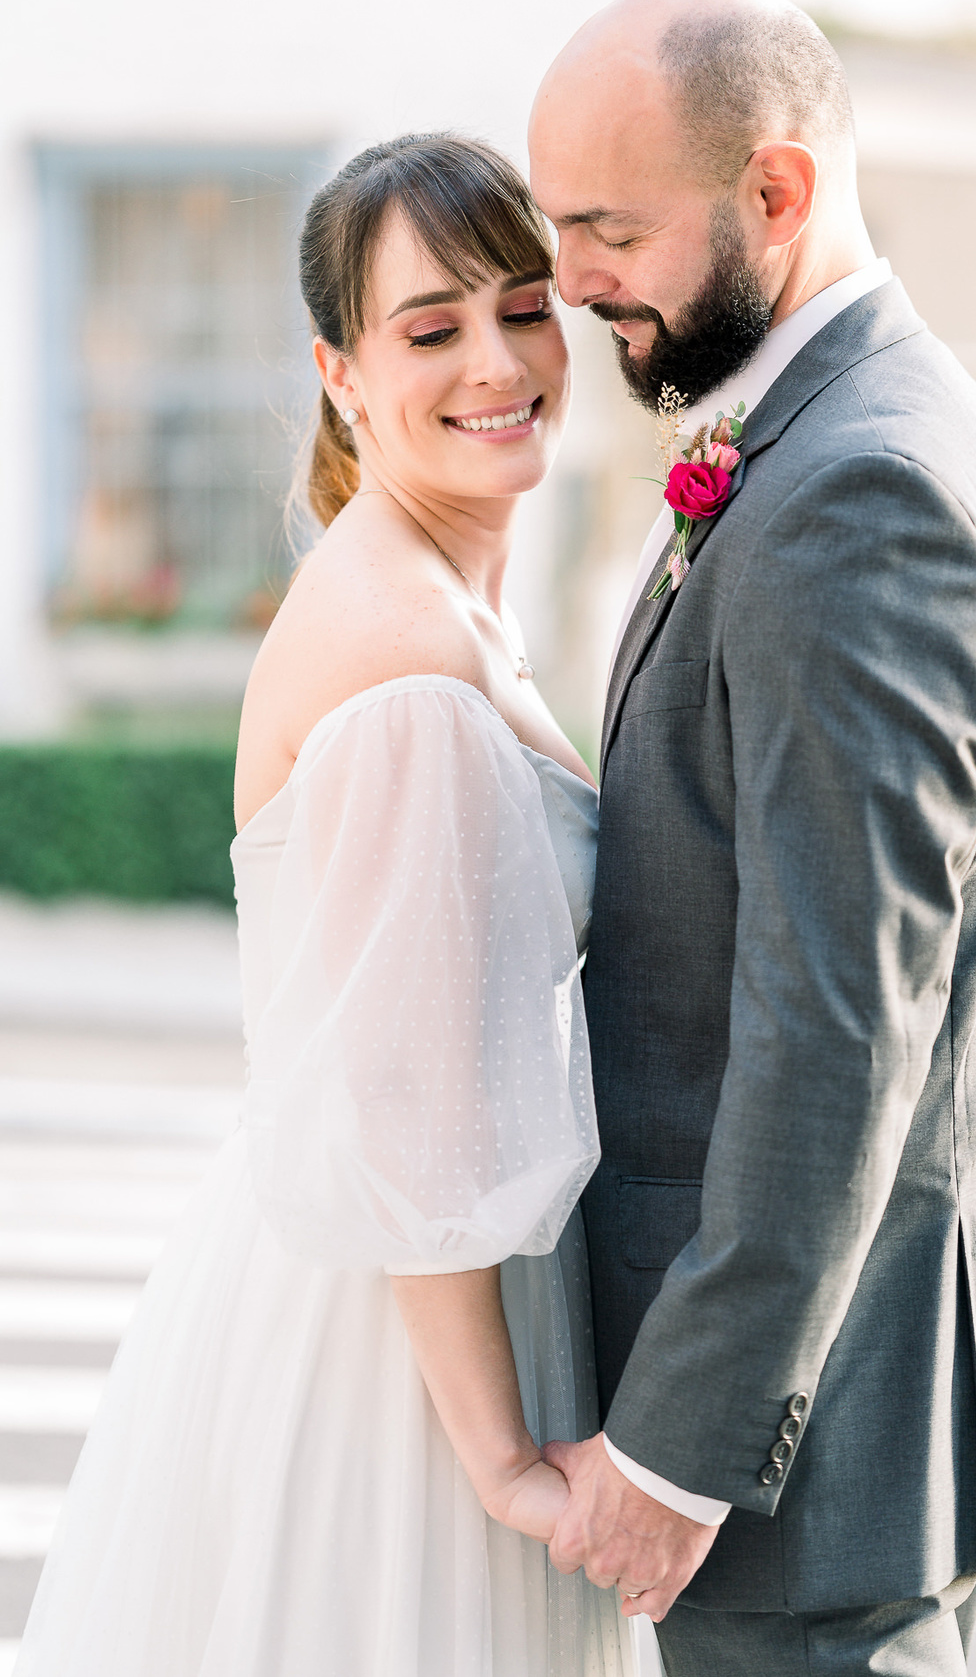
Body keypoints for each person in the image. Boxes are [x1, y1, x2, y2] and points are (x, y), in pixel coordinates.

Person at [15, 134, 659, 1677]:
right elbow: (411, 1101)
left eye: (523, 309)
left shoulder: (439, 602)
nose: (496, 361)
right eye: (432, 329)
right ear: (341, 374)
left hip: (411, 1285)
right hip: (405, 1350)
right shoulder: (405, 663)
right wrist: (500, 1462)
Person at [527, 0, 976, 1674]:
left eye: (611, 229)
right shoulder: (824, 433)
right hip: (843, 1430)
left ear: (774, 192)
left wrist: (681, 1448)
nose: (572, 283)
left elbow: (837, 1019)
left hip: (817, 1460)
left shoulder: (862, 488)